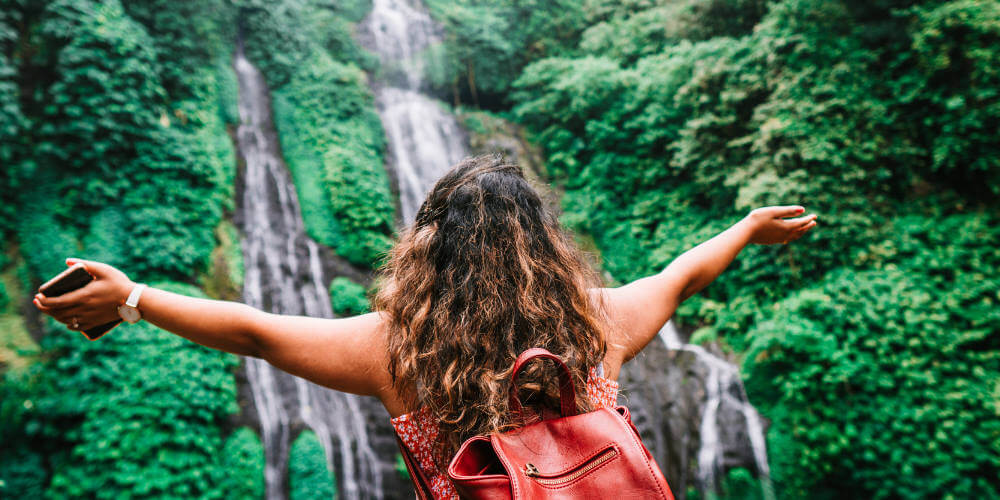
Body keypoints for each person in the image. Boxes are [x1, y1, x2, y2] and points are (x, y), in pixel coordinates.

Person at [33, 155, 816, 499]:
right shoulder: (595, 324)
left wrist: (133, 296)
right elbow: (681, 274)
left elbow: (256, 332)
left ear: (427, 247)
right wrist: (747, 227)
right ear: (543, 246)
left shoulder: (394, 349)